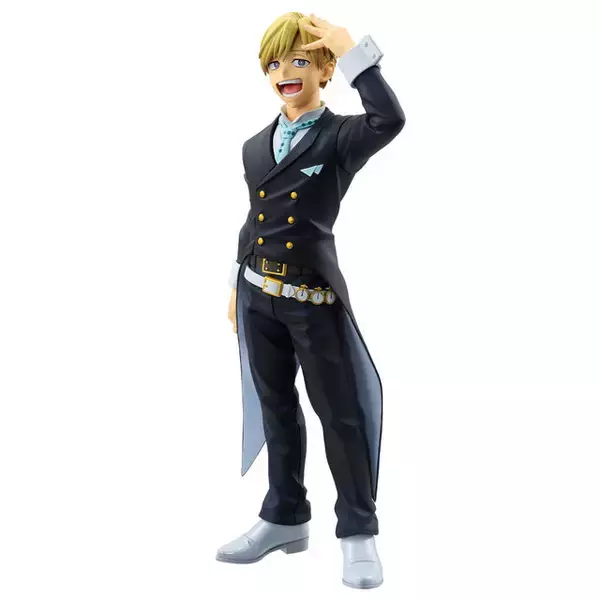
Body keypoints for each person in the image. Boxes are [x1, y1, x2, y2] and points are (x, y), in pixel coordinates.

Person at [216, 11, 405, 589]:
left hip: (312, 299)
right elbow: (256, 218)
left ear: (325, 69)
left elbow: (390, 118)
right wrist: (234, 283)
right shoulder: (254, 146)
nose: (285, 73)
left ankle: (358, 532)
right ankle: (284, 515)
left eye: (300, 60)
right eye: (275, 63)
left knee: (340, 414)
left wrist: (355, 55)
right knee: (275, 407)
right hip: (259, 297)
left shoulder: (341, 136)